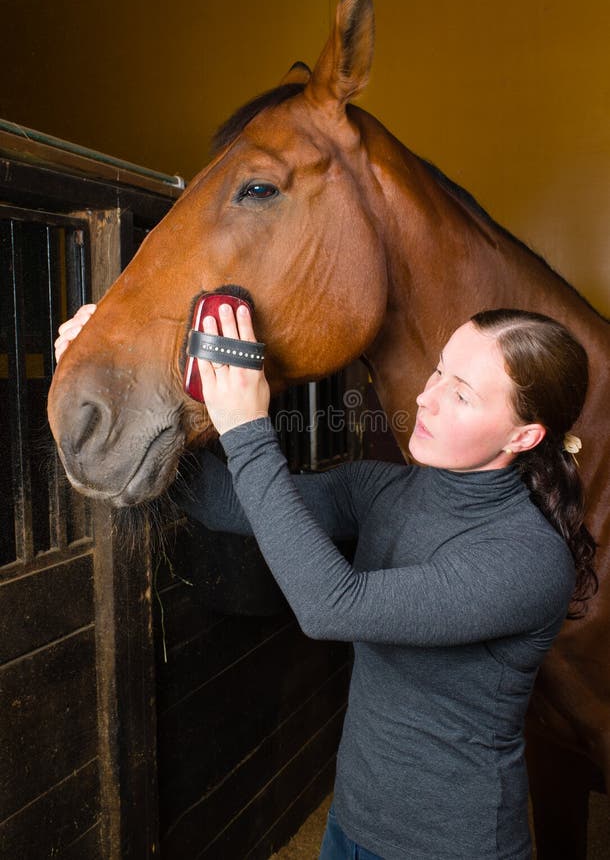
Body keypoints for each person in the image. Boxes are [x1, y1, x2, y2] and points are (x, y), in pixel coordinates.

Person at [55, 304, 596, 860]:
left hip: (453, 845)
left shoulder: (526, 560)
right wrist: (113, 383)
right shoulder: (386, 491)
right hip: (353, 822)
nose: (425, 397)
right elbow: (229, 501)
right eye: (438, 371)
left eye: (461, 394)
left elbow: (331, 606)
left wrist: (247, 428)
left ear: (525, 435)